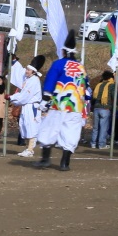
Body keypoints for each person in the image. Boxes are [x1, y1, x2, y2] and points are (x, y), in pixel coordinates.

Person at [35, 30, 88, 172]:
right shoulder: (81, 67)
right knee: (71, 133)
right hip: (76, 106)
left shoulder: (58, 64)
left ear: (63, 51)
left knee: (49, 129)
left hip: (60, 103)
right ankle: (65, 163)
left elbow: (50, 81)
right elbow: (85, 87)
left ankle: (45, 159)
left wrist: (45, 99)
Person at [8, 55, 45, 157]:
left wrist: (11, 98)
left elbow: (25, 96)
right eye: (27, 69)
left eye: (28, 70)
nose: (26, 71)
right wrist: (14, 61)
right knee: (25, 126)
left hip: (32, 107)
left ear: (33, 72)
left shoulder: (34, 81)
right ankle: (28, 148)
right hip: (26, 106)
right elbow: (19, 73)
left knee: (31, 127)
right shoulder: (28, 79)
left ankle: (30, 150)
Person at [90, 71, 115, 149]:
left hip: (96, 108)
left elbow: (93, 97)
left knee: (95, 127)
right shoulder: (111, 85)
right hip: (105, 108)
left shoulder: (98, 85)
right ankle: (102, 144)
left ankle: (93, 143)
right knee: (103, 128)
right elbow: (114, 96)